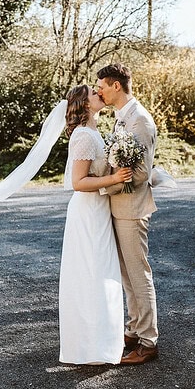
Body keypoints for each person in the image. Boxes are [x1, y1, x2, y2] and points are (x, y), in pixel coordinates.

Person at [59, 85, 133, 365]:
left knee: (99, 273)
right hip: (88, 213)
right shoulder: (84, 136)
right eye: (93, 93)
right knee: (91, 275)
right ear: (85, 104)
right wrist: (114, 179)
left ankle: (100, 342)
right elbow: (79, 183)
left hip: (98, 211)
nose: (99, 94)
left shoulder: (93, 133)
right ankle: (90, 347)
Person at [96, 63, 160, 365]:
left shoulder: (140, 121)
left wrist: (105, 185)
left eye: (102, 86)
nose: (99, 91)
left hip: (132, 208)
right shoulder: (122, 119)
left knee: (139, 274)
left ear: (116, 86)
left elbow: (140, 173)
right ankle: (134, 329)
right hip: (119, 207)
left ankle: (148, 342)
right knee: (127, 276)